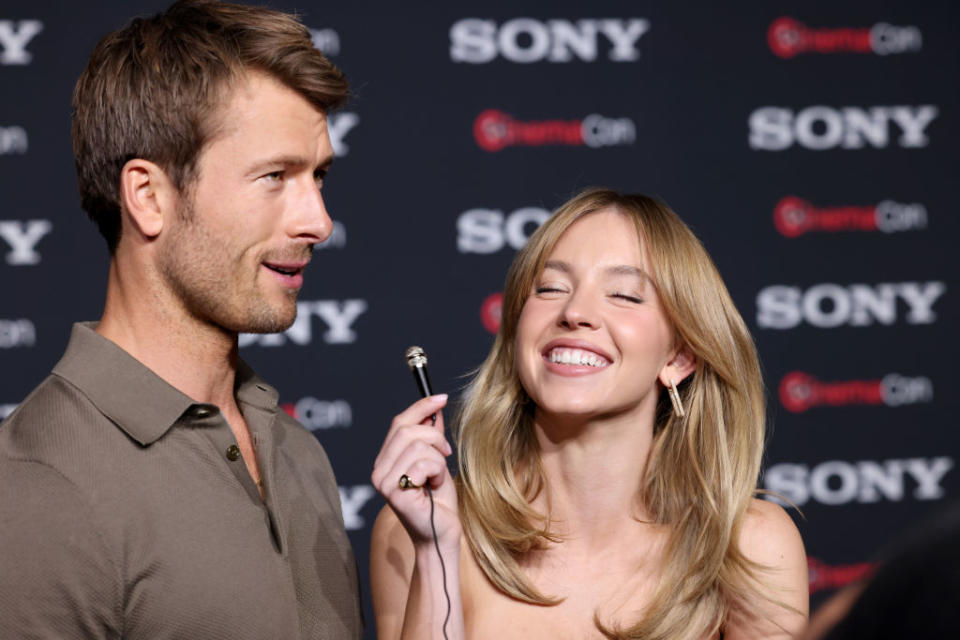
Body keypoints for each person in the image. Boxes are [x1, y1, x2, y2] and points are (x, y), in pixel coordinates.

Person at [0, 1, 362, 637]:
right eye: (275, 176)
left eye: (319, 176)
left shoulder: (297, 453)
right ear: (148, 196)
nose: (319, 222)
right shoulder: (37, 488)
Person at [371, 189, 809, 639]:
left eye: (624, 295)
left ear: (679, 356)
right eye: (550, 288)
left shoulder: (750, 546)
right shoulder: (416, 528)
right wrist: (436, 550)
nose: (575, 312)